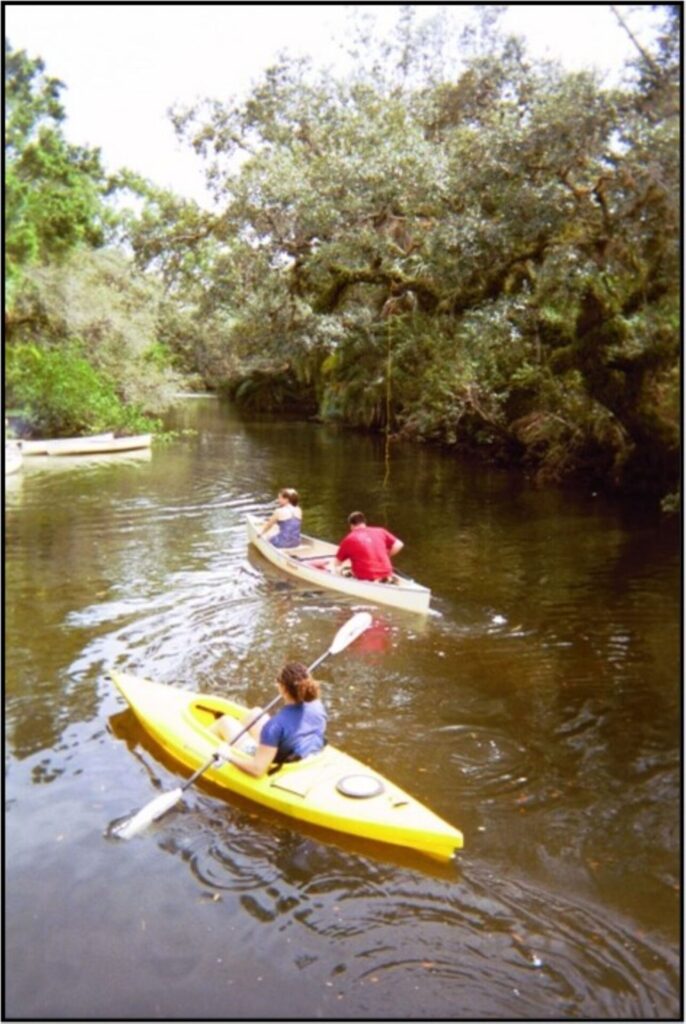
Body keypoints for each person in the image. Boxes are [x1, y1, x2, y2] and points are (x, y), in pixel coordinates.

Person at [210, 662, 327, 778]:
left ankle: (209, 748)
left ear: (283, 688)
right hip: (302, 752)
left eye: (278, 680)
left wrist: (229, 756)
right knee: (256, 713)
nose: (276, 683)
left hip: (275, 761)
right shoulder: (317, 705)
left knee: (224, 721)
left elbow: (258, 770)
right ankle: (234, 742)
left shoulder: (275, 725)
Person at [333, 511, 404, 582]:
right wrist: (387, 555)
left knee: (341, 570)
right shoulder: (380, 531)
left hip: (367, 578)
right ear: (364, 522)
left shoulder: (349, 539)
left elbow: (337, 563)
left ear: (351, 526)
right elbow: (399, 544)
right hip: (387, 574)